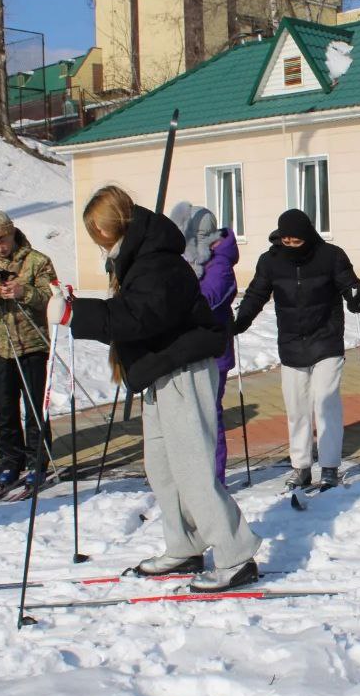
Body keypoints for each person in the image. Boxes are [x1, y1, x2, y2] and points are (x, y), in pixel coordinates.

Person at [63, 186, 261, 592]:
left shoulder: (158, 264)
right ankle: (185, 545)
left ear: (110, 229)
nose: (98, 244)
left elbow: (137, 318)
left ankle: (235, 554)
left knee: (192, 467)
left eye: (97, 234)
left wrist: (73, 313)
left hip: (184, 369)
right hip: (161, 371)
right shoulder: (139, 258)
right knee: (163, 467)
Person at [232, 209, 360, 490]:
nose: (292, 247)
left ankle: (329, 467)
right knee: (296, 408)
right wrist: (240, 320)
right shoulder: (270, 261)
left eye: (297, 242)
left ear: (308, 235)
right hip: (292, 343)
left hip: (326, 339)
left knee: (325, 402)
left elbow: (350, 284)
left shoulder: (331, 255)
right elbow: (257, 293)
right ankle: (301, 466)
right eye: (287, 242)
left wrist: (357, 296)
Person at [0, 210, 58, 492]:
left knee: (33, 407)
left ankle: (37, 461)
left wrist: (24, 292)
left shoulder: (37, 261)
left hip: (31, 344)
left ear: (12, 233)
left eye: (1, 240)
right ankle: (10, 462)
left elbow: (53, 299)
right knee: (4, 408)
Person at [171, 202, 238, 486]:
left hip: (213, 353)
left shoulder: (219, 263)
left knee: (209, 418)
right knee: (189, 420)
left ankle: (215, 479)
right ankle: (194, 477)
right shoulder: (191, 261)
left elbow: (207, 299)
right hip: (188, 351)